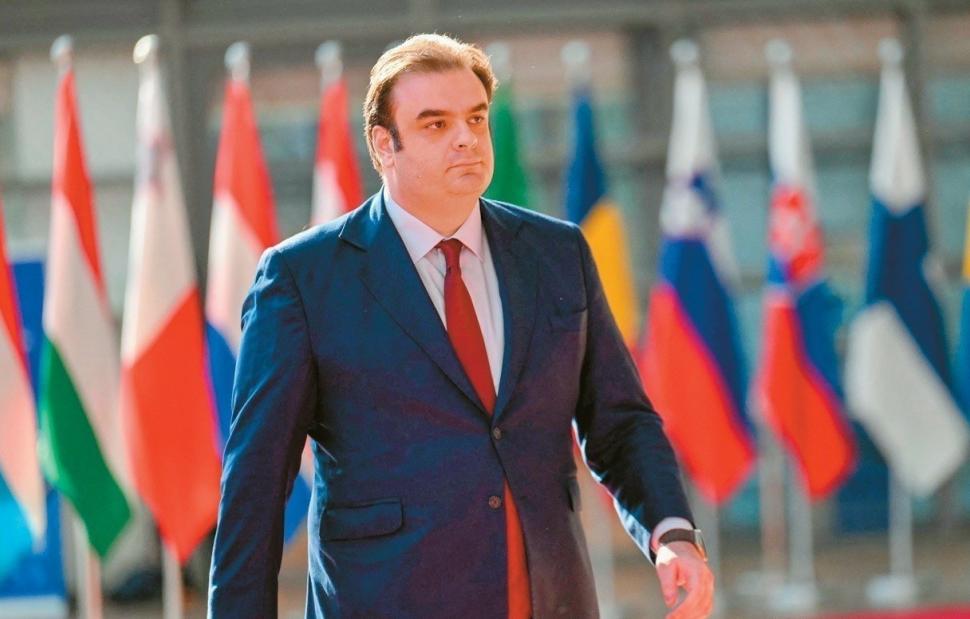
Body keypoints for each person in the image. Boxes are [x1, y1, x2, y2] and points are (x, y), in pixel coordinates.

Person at [208, 33, 713, 619]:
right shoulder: (303, 278)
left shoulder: (558, 254)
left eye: (476, 118)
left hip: (550, 599)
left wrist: (671, 532)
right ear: (384, 145)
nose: (466, 138)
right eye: (436, 124)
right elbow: (257, 484)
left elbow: (620, 423)